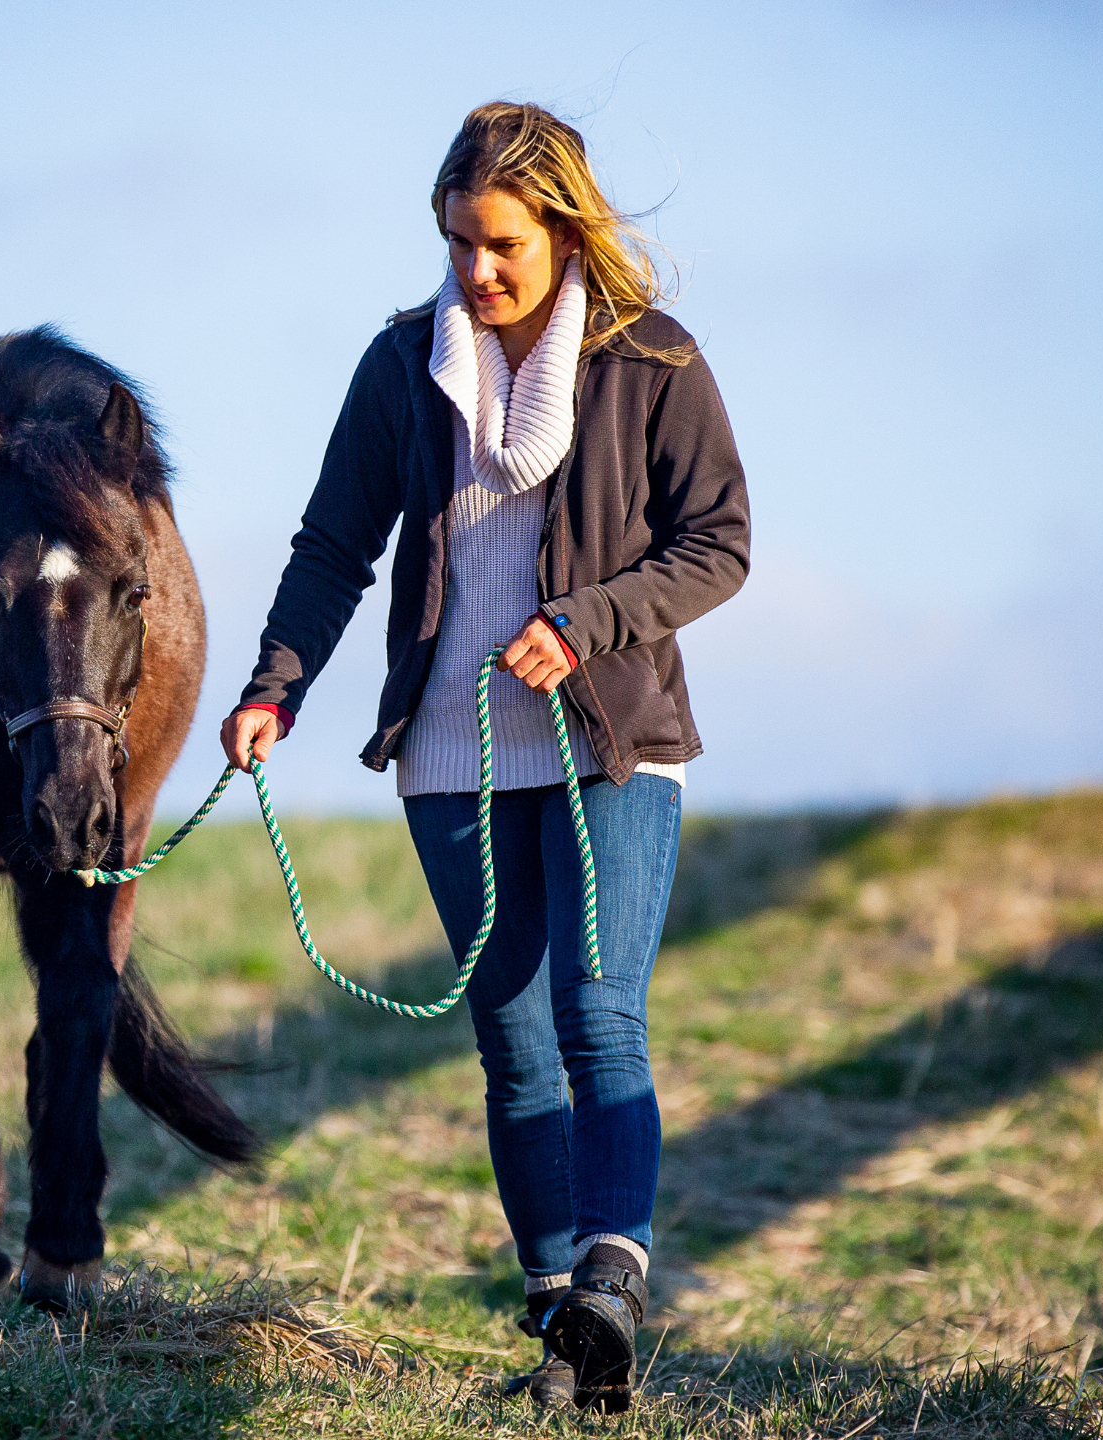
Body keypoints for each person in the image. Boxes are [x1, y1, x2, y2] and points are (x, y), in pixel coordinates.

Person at [220, 101, 750, 1412]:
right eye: (457, 240)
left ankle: (612, 1279)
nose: (477, 269)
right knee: (510, 1042)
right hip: (453, 756)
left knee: (597, 1011)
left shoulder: (653, 360)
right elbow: (334, 546)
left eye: (502, 242)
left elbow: (719, 543)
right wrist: (273, 689)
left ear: (561, 229)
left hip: (611, 746)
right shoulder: (404, 367)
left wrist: (583, 622)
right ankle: (563, 1327)